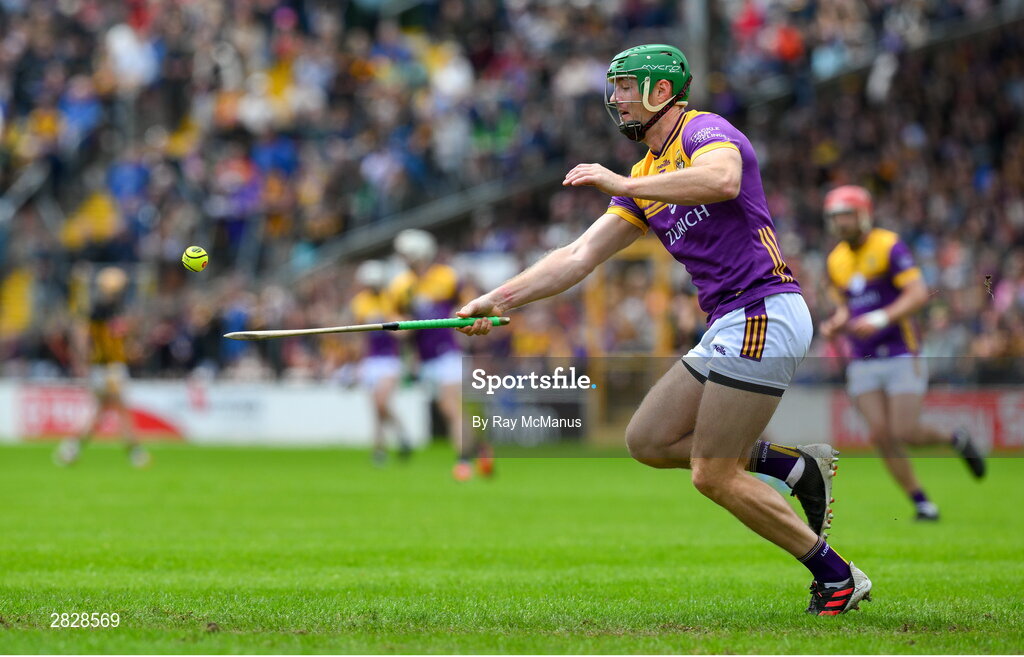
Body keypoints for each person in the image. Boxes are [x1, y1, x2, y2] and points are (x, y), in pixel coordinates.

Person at [457, 44, 870, 615]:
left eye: (626, 86)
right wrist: (495, 299)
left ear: (660, 89)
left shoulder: (703, 131)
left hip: (763, 312)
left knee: (711, 474)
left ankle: (838, 576)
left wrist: (623, 186)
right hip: (730, 321)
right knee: (647, 440)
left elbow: (723, 180)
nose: (615, 98)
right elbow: (578, 256)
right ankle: (790, 466)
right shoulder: (646, 175)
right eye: (614, 87)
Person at [819, 185, 986, 521]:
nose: (841, 223)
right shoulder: (835, 260)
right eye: (836, 217)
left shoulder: (888, 245)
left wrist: (881, 317)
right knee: (881, 434)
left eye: (847, 215)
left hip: (900, 351)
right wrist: (836, 324)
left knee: (904, 431)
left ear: (863, 215)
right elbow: (846, 308)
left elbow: (918, 293)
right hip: (863, 358)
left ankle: (956, 438)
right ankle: (922, 503)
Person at [390, 229, 493, 481]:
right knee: (450, 409)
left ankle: (463, 462)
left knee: (450, 405)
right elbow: (394, 315)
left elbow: (468, 302)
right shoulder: (401, 285)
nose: (406, 260)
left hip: (448, 351)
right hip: (425, 357)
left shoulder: (446, 277)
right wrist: (400, 328)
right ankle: (479, 448)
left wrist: (466, 319)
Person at [55, 266, 150, 468]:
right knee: (121, 410)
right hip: (108, 369)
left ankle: (71, 449)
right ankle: (136, 453)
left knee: (100, 413)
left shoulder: (103, 310)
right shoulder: (101, 312)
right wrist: (82, 360)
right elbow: (84, 336)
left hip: (107, 368)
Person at [351, 259, 412, 466]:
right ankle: (381, 447)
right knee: (375, 407)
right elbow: (361, 335)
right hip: (371, 360)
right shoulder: (360, 301)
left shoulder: (392, 299)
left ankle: (400, 436)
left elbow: (404, 333)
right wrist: (359, 362)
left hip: (390, 359)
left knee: (381, 401)